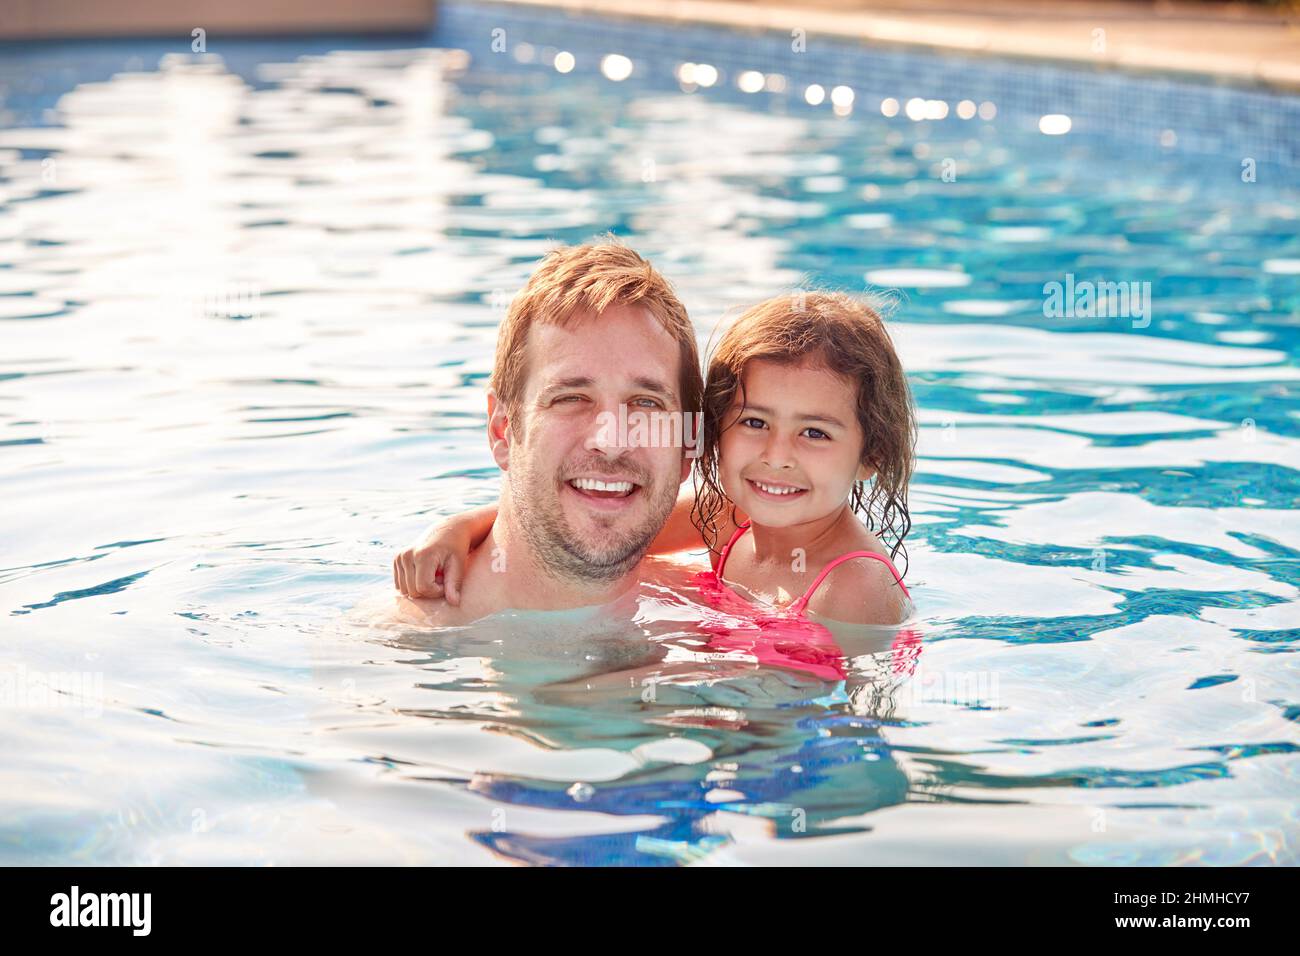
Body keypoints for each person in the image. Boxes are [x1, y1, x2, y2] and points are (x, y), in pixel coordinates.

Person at [400, 290, 918, 630]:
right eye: (756, 423)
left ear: (871, 455)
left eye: (815, 433)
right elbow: (588, 516)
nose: (776, 456)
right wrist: (454, 530)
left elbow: (808, 720)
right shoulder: (728, 516)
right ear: (711, 432)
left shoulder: (853, 590)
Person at [389, 236, 703, 626]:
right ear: (502, 429)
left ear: (689, 445)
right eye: (571, 398)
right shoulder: (392, 659)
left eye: (646, 403)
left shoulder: (724, 623)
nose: (611, 441)